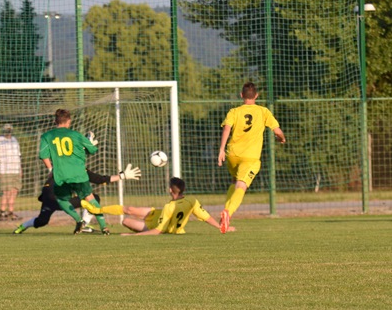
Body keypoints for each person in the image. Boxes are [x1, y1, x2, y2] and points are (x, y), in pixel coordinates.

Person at [217, 82, 286, 233]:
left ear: (241, 95)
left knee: (234, 181)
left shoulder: (234, 111)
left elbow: (227, 129)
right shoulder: (263, 111)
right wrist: (282, 138)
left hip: (232, 154)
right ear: (256, 96)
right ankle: (228, 212)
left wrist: (221, 150)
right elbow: (277, 131)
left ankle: (225, 217)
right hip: (250, 158)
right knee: (241, 186)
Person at [13, 164, 141, 234]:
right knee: (93, 198)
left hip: (47, 195)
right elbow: (99, 179)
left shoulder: (61, 162)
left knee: (42, 221)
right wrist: (122, 176)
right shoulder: (79, 167)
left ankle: (22, 226)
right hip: (57, 197)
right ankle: (83, 224)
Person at [38, 109, 109, 234]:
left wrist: (50, 169)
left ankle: (78, 220)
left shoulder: (47, 136)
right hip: (79, 174)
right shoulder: (76, 134)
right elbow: (92, 150)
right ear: (69, 121)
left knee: (61, 200)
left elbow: (44, 155)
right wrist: (90, 144)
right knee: (90, 198)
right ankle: (104, 227)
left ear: (55, 121)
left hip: (61, 175)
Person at [81, 176, 221, 235]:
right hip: (157, 214)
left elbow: (158, 231)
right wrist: (221, 227)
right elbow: (206, 217)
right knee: (129, 209)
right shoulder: (192, 201)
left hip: (153, 226)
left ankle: (96, 209)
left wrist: (132, 236)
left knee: (126, 221)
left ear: (170, 190)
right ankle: (97, 209)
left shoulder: (170, 207)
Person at [0, 123, 22, 221]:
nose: (8, 131)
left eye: (10, 129)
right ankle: (2, 212)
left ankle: (11, 212)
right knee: (6, 191)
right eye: (7, 130)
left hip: (15, 170)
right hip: (4, 170)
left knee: (14, 191)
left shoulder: (14, 140)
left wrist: (20, 169)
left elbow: (18, 156)